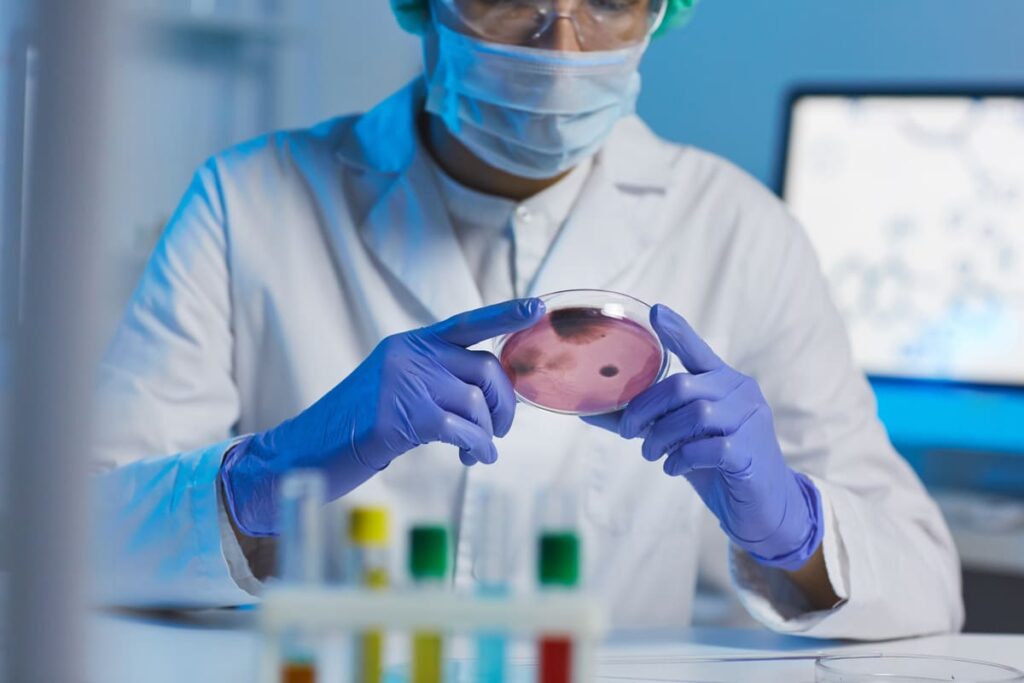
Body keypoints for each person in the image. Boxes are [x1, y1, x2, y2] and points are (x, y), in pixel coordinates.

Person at [93, 0, 963, 638]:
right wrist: (262, 478)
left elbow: (927, 584)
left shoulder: (741, 230)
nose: (562, 43)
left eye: (611, 2)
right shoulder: (246, 201)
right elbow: (77, 537)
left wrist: (793, 529)